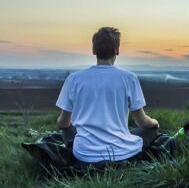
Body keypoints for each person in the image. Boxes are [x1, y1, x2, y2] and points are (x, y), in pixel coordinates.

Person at [55, 27, 159, 163]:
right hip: (122, 153)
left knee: (67, 129)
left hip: (84, 154)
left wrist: (74, 125)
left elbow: (63, 123)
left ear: (93, 51)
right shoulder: (129, 78)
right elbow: (142, 122)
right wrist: (155, 123)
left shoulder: (74, 79)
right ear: (117, 50)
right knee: (151, 131)